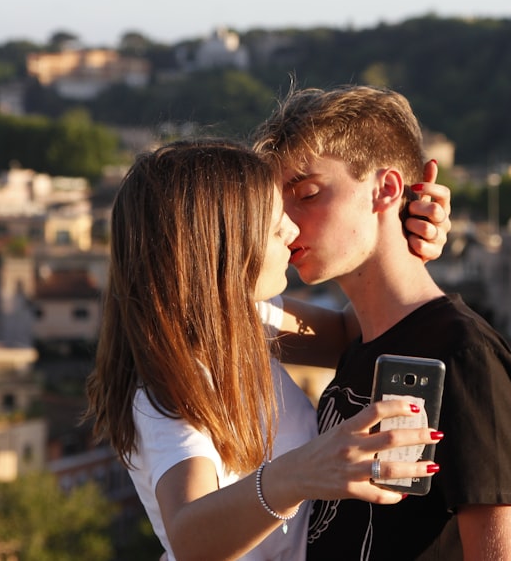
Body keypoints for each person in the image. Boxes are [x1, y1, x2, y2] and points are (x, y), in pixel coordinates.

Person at [84, 140, 448, 561]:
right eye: (276, 228)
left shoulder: (247, 318)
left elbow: (355, 329)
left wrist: (399, 237)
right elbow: (188, 535)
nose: (293, 231)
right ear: (222, 251)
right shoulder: (171, 391)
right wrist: (301, 474)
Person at [254, 86, 511, 561]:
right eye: (278, 203)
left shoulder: (464, 354)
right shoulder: (361, 339)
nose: (286, 222)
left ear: (385, 189)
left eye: (306, 193)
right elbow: (220, 316)